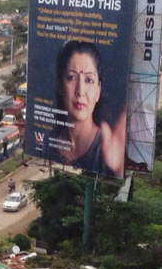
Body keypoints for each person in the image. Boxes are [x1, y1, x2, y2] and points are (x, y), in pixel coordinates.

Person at [43, 40, 126, 177]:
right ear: (59, 85)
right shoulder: (48, 141)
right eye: (71, 77)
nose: (80, 91)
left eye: (89, 80)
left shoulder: (108, 149)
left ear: (98, 91)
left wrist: (118, 170)